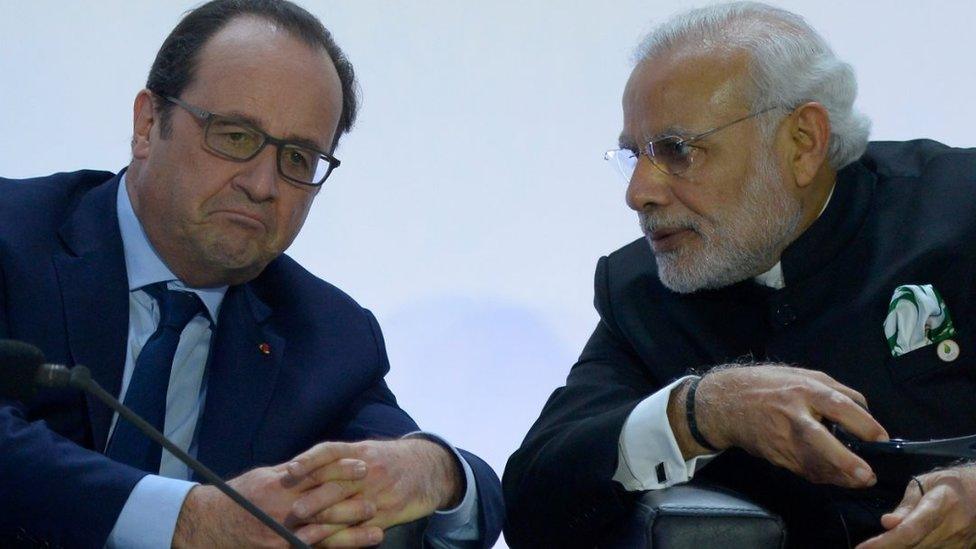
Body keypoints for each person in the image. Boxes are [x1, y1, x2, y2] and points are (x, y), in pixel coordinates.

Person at [0, 1, 503, 547]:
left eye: (297, 159)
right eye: (236, 137)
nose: (263, 184)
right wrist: (187, 520)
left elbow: (441, 479)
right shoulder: (14, 238)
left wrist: (432, 469)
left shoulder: (324, 332)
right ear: (148, 125)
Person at [503, 2, 976, 547]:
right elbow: (532, 505)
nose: (638, 193)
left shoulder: (958, 211)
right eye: (635, 155)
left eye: (677, 151)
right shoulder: (644, 289)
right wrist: (698, 410)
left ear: (803, 142)